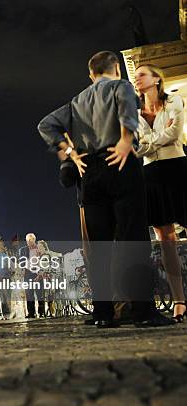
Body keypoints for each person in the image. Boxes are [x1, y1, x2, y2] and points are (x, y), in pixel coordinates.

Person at [38, 50, 173, 328]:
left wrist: (70, 152)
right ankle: (143, 312)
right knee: (132, 239)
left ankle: (103, 313)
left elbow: (46, 124)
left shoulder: (78, 100)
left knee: (98, 248)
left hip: (90, 171)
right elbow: (126, 108)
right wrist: (126, 140)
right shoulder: (120, 86)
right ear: (117, 70)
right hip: (121, 163)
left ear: (91, 74)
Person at [134, 64, 187, 323]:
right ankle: (179, 301)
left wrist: (149, 142)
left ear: (156, 79)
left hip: (177, 168)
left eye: (142, 75)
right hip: (151, 176)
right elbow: (136, 149)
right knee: (165, 239)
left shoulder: (175, 100)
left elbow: (176, 133)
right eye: (135, 77)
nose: (137, 80)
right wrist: (155, 140)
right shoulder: (134, 115)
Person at [18, 233, 45, 318]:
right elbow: (21, 262)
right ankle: (31, 313)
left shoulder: (39, 248)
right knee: (29, 294)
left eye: (31, 240)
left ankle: (41, 312)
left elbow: (44, 261)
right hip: (28, 272)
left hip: (37, 272)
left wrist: (40, 272)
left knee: (40, 292)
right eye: (27, 240)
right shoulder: (23, 250)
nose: (29, 242)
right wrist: (22, 270)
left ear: (34, 239)